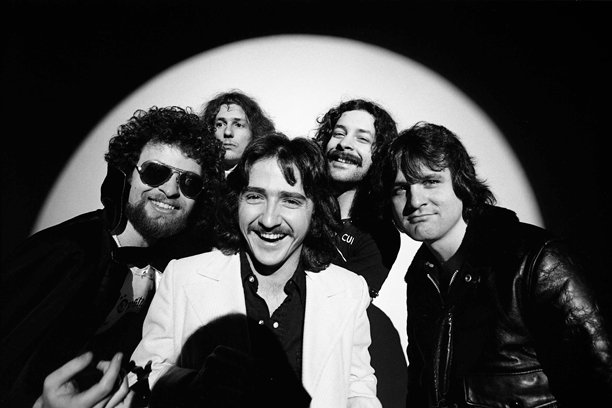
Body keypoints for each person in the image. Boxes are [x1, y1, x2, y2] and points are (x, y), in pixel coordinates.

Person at [130, 132, 382, 408]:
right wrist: (193, 384)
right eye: (255, 197)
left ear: (315, 211)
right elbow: (142, 375)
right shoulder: (182, 277)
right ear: (237, 201)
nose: (269, 220)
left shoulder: (349, 291)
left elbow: (357, 388)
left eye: (290, 200)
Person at [0, 106, 224, 407]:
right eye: (156, 172)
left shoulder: (170, 268)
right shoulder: (68, 250)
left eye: (189, 183)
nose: (171, 190)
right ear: (128, 174)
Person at [379, 121, 612, 407]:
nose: (415, 201)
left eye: (430, 181)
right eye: (401, 189)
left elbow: (600, 376)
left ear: (461, 184)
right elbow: (422, 387)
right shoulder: (420, 278)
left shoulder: (535, 258)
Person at [314, 98, 406, 407]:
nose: (345, 144)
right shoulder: (298, 206)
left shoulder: (380, 235)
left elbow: (343, 312)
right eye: (338, 133)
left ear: (378, 155)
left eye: (362, 138)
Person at [200, 90, 275, 176]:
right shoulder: (196, 173)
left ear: (254, 132)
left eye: (238, 125)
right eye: (220, 124)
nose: (227, 132)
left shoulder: (264, 177)